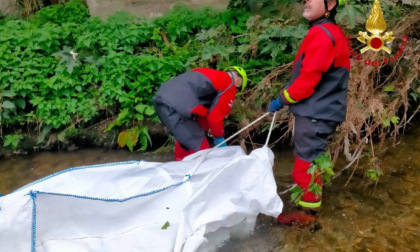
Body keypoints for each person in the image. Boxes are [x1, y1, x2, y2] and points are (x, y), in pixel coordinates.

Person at [268, 0, 350, 219]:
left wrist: (282, 98)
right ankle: (308, 207)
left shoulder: (323, 34)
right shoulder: (326, 32)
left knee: (307, 161)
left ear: (330, 4)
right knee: (311, 158)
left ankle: (306, 215)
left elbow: (307, 80)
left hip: (316, 112)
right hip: (319, 110)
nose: (306, 1)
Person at [153, 67, 247, 161]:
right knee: (202, 148)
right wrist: (219, 137)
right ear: (238, 81)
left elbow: (202, 115)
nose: (235, 93)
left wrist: (207, 129)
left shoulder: (208, 74)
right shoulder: (229, 83)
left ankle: (179, 168)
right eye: (237, 90)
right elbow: (215, 117)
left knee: (186, 142)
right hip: (178, 107)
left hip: (161, 100)